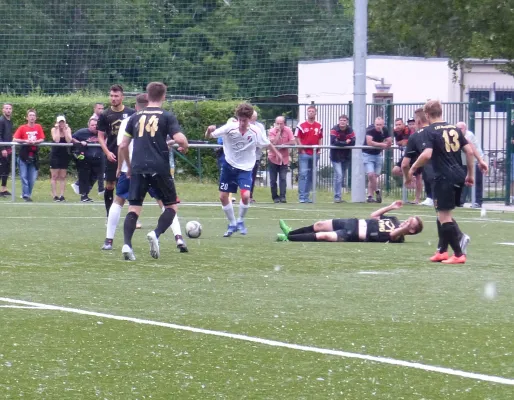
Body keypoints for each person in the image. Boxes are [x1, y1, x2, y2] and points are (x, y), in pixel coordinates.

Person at [101, 94, 188, 253]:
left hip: (134, 169)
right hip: (156, 168)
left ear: (136, 106)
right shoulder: (162, 116)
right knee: (167, 204)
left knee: (122, 202)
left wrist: (122, 167)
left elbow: (122, 146)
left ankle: (111, 240)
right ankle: (178, 238)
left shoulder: (129, 119)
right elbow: (168, 139)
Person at [407, 100, 487, 264]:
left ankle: (458, 254)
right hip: (458, 174)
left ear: (427, 115)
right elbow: (469, 151)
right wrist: (471, 174)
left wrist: (412, 167)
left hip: (443, 176)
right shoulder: (454, 128)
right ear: (441, 112)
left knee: (444, 216)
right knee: (441, 212)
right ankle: (442, 251)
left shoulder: (429, 131)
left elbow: (427, 154)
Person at [205, 103, 281, 237]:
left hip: (245, 168)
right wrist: (209, 130)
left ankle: (240, 220)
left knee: (246, 196)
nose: (241, 122)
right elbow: (209, 136)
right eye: (240, 119)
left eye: (244, 120)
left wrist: (277, 153)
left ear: (250, 119)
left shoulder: (256, 131)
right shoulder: (229, 128)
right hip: (229, 166)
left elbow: (267, 143)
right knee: (223, 197)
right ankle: (232, 223)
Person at [276, 200, 423, 243]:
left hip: (353, 234)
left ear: (411, 230)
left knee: (323, 236)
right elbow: (374, 216)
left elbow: (392, 235)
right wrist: (390, 207)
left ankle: (289, 239)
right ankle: (291, 232)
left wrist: (404, 229)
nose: (406, 222)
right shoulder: (394, 220)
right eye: (409, 219)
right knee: (319, 225)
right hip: (352, 222)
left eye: (410, 224)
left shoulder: (399, 237)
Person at [97, 84, 135, 218]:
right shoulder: (104, 114)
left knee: (131, 185)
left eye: (116, 96)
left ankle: (133, 217)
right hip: (112, 154)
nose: (113, 98)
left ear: (122, 97)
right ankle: (110, 216)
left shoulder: (131, 113)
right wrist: (107, 152)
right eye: (111, 96)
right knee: (110, 184)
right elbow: (100, 137)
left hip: (128, 155)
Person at [13, 109, 45, 202]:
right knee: (24, 176)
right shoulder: (22, 128)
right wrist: (25, 141)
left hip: (34, 155)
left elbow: (42, 139)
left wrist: (36, 141)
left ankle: (27, 194)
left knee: (32, 178)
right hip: (24, 155)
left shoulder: (38, 127)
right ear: (27, 117)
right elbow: (15, 139)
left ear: (36, 117)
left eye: (33, 115)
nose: (32, 117)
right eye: (30, 115)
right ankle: (26, 195)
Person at [71, 118, 104, 202]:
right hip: (85, 158)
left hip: (98, 158)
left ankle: (79, 187)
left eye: (96, 125)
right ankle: (84, 195)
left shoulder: (101, 132)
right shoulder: (82, 132)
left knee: (94, 176)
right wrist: (80, 142)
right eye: (92, 125)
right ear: (88, 126)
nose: (94, 127)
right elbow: (72, 138)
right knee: (84, 176)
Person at [295, 105, 323, 203]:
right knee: (303, 174)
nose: (311, 113)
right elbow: (297, 137)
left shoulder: (319, 125)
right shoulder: (301, 125)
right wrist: (301, 149)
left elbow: (320, 137)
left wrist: (319, 149)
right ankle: (302, 197)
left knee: (311, 175)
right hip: (304, 153)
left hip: (315, 153)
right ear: (307, 113)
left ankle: (307, 196)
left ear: (315, 113)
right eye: (309, 111)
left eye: (312, 111)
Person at [392, 117, 422, 203]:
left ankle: (417, 199)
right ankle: (409, 176)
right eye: (410, 124)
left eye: (413, 123)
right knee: (395, 170)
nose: (411, 125)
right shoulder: (397, 131)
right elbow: (399, 142)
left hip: (417, 154)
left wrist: (404, 142)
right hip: (408, 154)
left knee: (418, 176)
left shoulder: (418, 131)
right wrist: (403, 142)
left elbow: (406, 142)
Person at [362, 117, 392, 203]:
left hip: (378, 155)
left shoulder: (385, 130)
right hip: (367, 154)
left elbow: (389, 141)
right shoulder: (370, 130)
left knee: (374, 177)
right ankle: (377, 191)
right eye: (377, 125)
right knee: (371, 174)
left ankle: (370, 196)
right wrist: (382, 144)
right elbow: (369, 142)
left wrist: (387, 143)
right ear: (374, 124)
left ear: (383, 124)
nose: (379, 127)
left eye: (380, 125)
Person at [456, 121, 484, 208]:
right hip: (464, 162)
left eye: (461, 129)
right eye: (457, 129)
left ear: (465, 129)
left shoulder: (469, 135)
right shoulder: (455, 136)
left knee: (477, 181)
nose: (459, 130)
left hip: (475, 160)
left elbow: (471, 150)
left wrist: (480, 161)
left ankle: (478, 201)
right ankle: (460, 201)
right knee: (462, 181)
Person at [268, 116, 295, 203]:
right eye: (277, 123)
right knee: (273, 180)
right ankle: (275, 197)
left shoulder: (288, 130)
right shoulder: (272, 131)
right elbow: (273, 143)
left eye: (281, 123)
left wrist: (283, 144)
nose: (279, 125)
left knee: (283, 178)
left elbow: (293, 142)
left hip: (284, 158)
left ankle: (283, 197)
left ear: (284, 124)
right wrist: (278, 133)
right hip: (273, 158)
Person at [330, 115, 355, 203]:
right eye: (341, 120)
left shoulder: (350, 130)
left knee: (341, 176)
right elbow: (334, 142)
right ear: (338, 121)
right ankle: (337, 197)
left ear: (347, 121)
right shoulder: (334, 129)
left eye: (344, 120)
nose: (342, 122)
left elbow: (353, 142)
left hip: (346, 156)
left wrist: (343, 142)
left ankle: (338, 197)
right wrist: (345, 142)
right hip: (335, 156)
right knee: (339, 176)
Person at [50, 116, 72, 202]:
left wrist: (65, 130)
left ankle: (62, 195)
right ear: (57, 122)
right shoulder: (53, 129)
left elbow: (69, 140)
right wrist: (58, 129)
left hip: (64, 154)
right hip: (55, 154)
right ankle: (55, 195)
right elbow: (57, 140)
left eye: (63, 122)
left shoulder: (68, 129)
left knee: (62, 176)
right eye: (60, 122)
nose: (61, 124)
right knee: (54, 176)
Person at [249, 111, 266, 203]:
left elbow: (263, 139)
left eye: (254, 117)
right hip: (245, 156)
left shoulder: (260, 127)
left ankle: (250, 196)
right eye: (251, 117)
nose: (252, 119)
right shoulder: (244, 125)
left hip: (256, 156)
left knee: (252, 176)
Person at [0, 103, 14, 197]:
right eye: (6, 108)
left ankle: (3, 189)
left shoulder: (10, 121)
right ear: (3, 110)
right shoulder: (1, 120)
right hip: (2, 149)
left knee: (6, 169)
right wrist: (3, 148)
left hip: (9, 148)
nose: (8, 110)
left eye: (9, 108)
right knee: (1, 169)